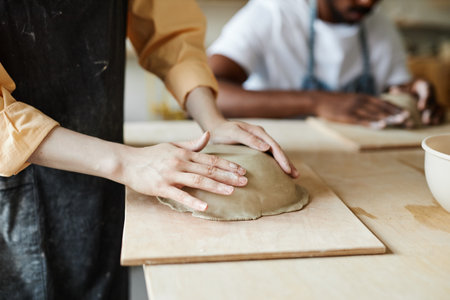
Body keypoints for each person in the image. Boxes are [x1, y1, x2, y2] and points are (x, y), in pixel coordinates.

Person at [0, 0, 297, 299]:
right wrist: (126, 163)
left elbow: (171, 33)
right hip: (18, 181)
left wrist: (212, 120)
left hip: (109, 173)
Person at [208, 0, 444, 128]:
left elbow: (395, 88)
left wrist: (413, 97)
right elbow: (207, 91)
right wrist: (317, 102)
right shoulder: (272, 12)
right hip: (282, 151)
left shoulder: (379, 24)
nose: (367, 2)